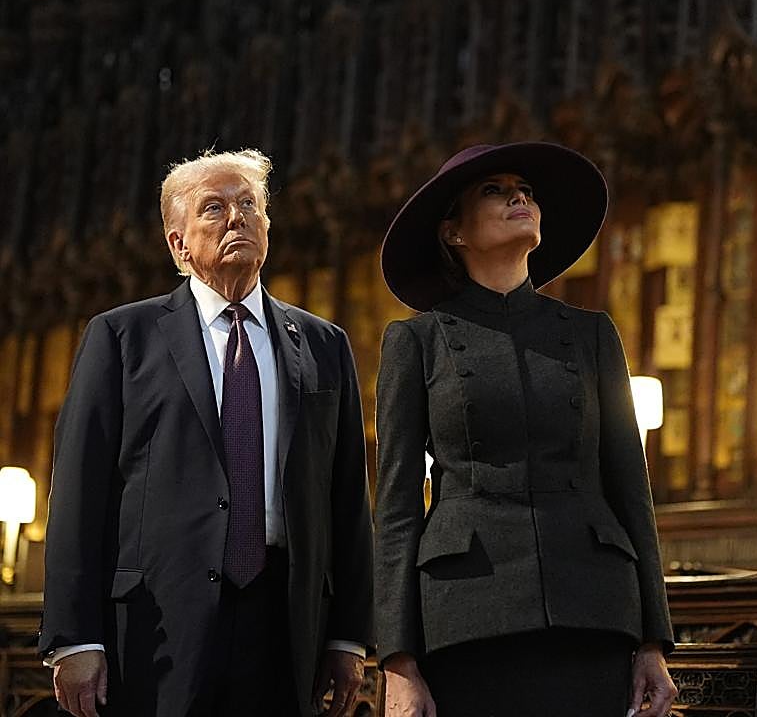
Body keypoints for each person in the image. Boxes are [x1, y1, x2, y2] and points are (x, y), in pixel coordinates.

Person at [39, 150, 375, 717]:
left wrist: (349, 635)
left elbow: (346, 495)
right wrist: (74, 638)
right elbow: (77, 492)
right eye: (214, 208)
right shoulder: (122, 338)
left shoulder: (323, 343)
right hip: (157, 625)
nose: (237, 217)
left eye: (250, 205)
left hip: (285, 622)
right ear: (178, 243)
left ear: (268, 226)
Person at [374, 142, 678, 717]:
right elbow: (395, 508)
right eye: (495, 190)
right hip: (468, 613)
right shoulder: (417, 342)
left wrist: (651, 642)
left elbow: (631, 490)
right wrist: (397, 661)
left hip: (592, 609)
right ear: (453, 233)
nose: (520, 197)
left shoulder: (590, 334)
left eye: (527, 191)